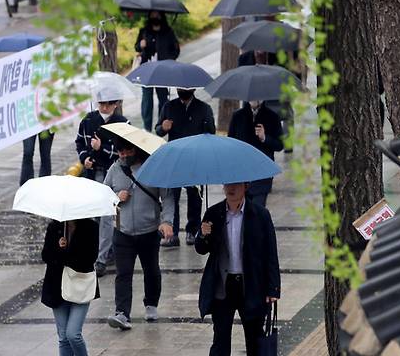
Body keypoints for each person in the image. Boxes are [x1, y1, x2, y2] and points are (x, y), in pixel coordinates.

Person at [196, 182, 280, 356]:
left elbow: (270, 252)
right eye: (228, 185)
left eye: (236, 185)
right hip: (222, 286)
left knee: (255, 338)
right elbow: (202, 249)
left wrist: (273, 288)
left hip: (250, 285)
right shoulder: (213, 213)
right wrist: (203, 234)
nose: (231, 188)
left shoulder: (260, 215)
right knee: (220, 339)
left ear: (246, 187)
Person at [104, 140, 174, 330]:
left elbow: (167, 197)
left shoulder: (153, 168)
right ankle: (122, 313)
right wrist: (116, 198)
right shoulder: (114, 169)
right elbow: (103, 195)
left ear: (137, 149)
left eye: (128, 151)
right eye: (121, 152)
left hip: (149, 231)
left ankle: (151, 303)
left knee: (151, 269)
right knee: (123, 273)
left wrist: (167, 221)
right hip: (122, 231)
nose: (124, 155)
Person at [75, 96, 128, 277]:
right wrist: (85, 158)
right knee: (94, 215)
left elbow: (124, 150)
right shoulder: (88, 120)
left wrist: (101, 148)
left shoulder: (122, 122)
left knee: (107, 215)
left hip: (114, 173)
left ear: (115, 104)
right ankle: (101, 249)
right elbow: (80, 142)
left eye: (108, 104)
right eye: (101, 104)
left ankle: (101, 259)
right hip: (93, 173)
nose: (104, 107)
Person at [155, 88, 216, 246]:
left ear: (193, 89)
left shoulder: (204, 108)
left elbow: (211, 132)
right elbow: (158, 130)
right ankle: (172, 233)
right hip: (174, 159)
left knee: (195, 196)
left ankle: (192, 230)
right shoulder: (169, 107)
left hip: (195, 158)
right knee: (171, 195)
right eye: (181, 88)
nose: (183, 90)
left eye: (187, 89)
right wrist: (163, 127)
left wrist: (205, 130)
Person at [41, 218, 99, 356]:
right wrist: (58, 248)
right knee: (63, 337)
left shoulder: (91, 227)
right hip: (57, 287)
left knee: (73, 334)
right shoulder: (55, 226)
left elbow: (90, 258)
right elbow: (46, 256)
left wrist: (68, 250)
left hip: (80, 285)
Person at [228, 101, 283, 207]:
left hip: (262, 174)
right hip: (241, 174)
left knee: (258, 211)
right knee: (241, 213)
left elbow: (279, 145)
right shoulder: (238, 116)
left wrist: (265, 138)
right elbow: (231, 143)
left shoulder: (272, 116)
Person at [135, 11, 180, 132]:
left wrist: (169, 59)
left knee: (163, 98)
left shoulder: (168, 32)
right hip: (147, 69)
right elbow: (136, 47)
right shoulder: (144, 31)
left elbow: (176, 49)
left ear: (161, 16)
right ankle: (147, 127)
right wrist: (140, 45)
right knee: (147, 99)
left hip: (163, 70)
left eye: (157, 15)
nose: (155, 17)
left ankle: (161, 126)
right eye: (152, 15)